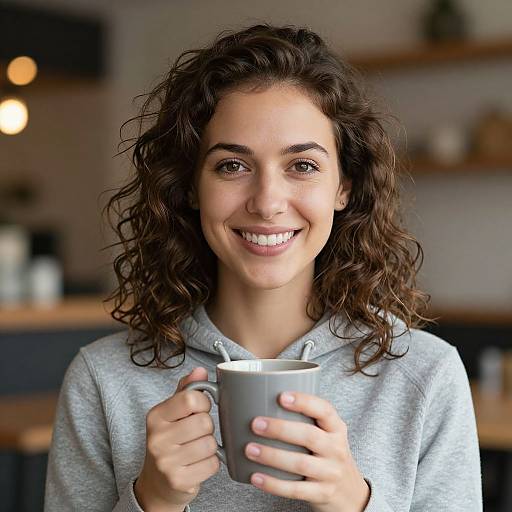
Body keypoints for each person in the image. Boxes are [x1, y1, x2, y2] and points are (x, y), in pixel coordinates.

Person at [44, 23, 482, 512]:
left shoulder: (426, 376)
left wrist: (355, 505)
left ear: (345, 188)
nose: (268, 202)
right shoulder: (103, 379)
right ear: (190, 186)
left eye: (303, 166)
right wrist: (153, 500)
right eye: (232, 165)